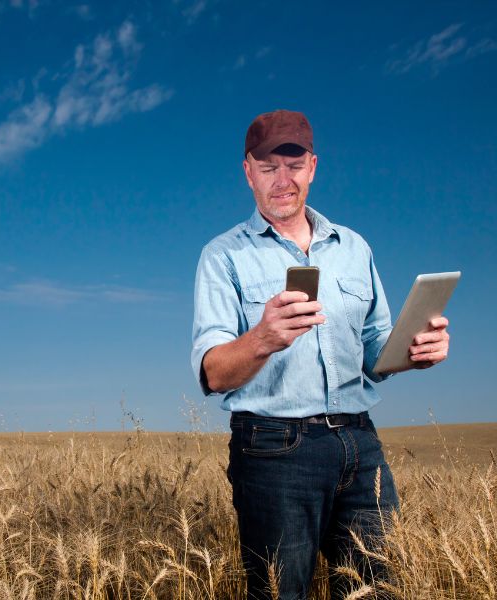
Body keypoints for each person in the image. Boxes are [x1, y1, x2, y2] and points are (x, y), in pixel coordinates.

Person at [190, 109, 450, 599]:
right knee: (281, 592)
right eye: (268, 169)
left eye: (293, 166)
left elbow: (374, 349)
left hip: (360, 444)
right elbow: (213, 372)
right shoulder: (223, 255)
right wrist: (263, 337)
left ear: (313, 166)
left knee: (379, 589)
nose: (282, 181)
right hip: (273, 450)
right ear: (248, 172)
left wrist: (412, 352)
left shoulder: (353, 248)